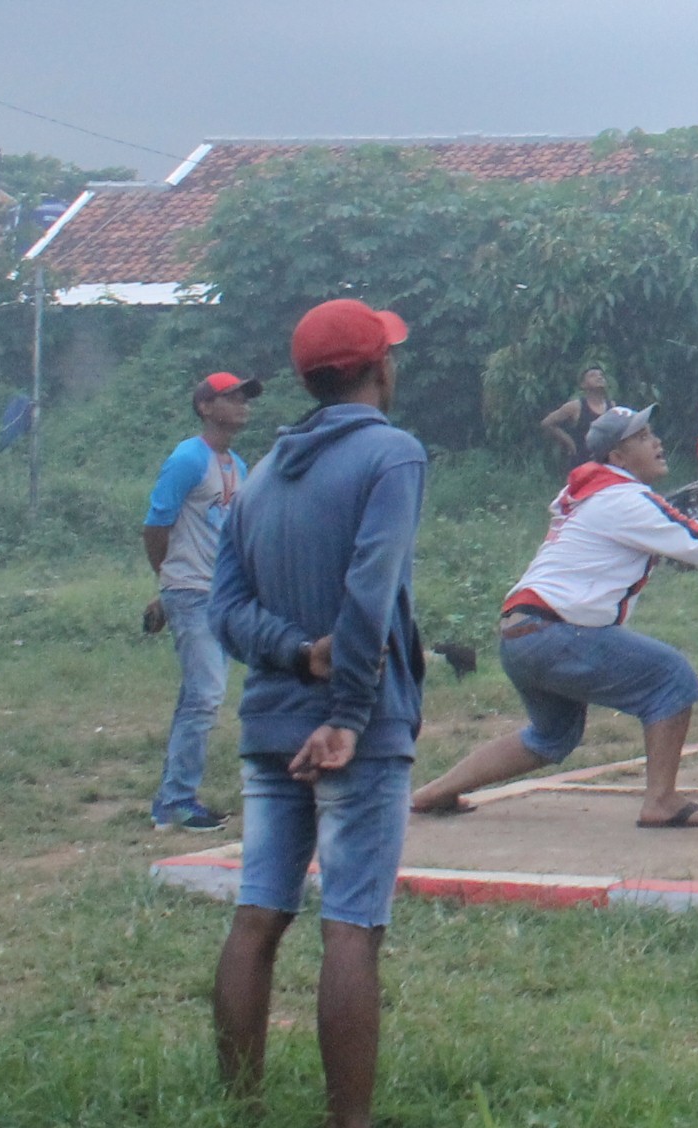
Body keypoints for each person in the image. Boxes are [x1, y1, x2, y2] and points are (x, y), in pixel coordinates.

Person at [207, 298, 427, 1128]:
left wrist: (297, 654)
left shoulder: (262, 472)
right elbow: (370, 591)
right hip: (355, 733)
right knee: (351, 927)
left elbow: (225, 609)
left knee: (259, 913)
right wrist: (345, 709)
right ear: (380, 369)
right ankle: (350, 1120)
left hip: (268, 722)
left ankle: (240, 1106)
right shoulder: (393, 456)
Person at [411, 405, 698, 829]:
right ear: (617, 458)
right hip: (554, 630)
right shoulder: (624, 499)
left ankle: (434, 791)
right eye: (641, 437)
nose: (657, 442)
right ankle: (660, 801)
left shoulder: (594, 494)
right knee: (670, 677)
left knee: (552, 735)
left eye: (651, 433)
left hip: (520, 634)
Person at [142, 370, 262, 830]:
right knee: (206, 696)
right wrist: (169, 581)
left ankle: (180, 794)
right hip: (192, 593)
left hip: (223, 593)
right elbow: (156, 525)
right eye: (231, 397)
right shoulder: (188, 459)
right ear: (205, 407)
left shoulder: (237, 464)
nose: (242, 404)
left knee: (205, 694)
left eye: (245, 398)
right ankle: (174, 801)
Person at [539, 363, 613, 466]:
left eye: (601, 375)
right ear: (583, 384)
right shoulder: (575, 407)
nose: (599, 377)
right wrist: (568, 441)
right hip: (581, 464)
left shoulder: (612, 406)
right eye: (593, 375)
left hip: (606, 464)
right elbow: (547, 423)